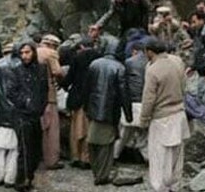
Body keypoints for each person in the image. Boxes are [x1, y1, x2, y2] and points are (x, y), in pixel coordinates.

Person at [140, 40, 191, 192]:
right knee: (177, 156)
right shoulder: (177, 61)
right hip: (179, 114)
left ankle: (160, 188)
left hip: (161, 117)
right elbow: (184, 86)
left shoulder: (152, 69)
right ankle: (175, 186)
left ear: (149, 51)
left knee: (159, 157)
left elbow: (148, 98)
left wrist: (144, 119)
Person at [85, 42, 133, 185]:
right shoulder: (120, 67)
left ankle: (96, 172)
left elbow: (87, 88)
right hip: (110, 111)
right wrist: (128, 114)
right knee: (106, 145)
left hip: (93, 109)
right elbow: (124, 94)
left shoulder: (94, 64)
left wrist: (85, 107)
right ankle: (102, 175)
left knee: (93, 141)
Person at [9, 43, 49, 192]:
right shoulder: (16, 70)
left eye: (28, 52)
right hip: (22, 115)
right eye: (22, 53)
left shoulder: (41, 69)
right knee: (25, 151)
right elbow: (11, 92)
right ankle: (21, 182)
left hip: (35, 114)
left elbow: (44, 90)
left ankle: (29, 178)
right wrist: (26, 103)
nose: (25, 55)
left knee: (35, 150)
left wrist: (40, 106)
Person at [64, 37, 100, 169]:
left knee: (75, 130)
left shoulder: (77, 58)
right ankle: (87, 157)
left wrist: (62, 84)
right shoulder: (99, 57)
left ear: (82, 47)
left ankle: (75, 156)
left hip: (77, 98)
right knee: (89, 129)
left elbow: (69, 79)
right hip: (93, 99)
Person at [0, 43, 18, 187]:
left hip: (0, 112)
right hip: (17, 112)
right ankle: (10, 178)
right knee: (15, 149)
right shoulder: (21, 65)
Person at [114, 40, 148, 161]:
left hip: (131, 103)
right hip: (145, 102)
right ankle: (147, 158)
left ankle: (114, 156)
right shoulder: (150, 62)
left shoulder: (128, 62)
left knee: (123, 134)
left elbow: (123, 84)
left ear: (134, 51)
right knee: (144, 135)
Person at [36, 34, 65, 170]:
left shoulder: (32, 51)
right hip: (49, 95)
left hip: (33, 95)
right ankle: (51, 159)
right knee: (51, 129)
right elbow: (57, 71)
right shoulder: (51, 53)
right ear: (54, 45)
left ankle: (37, 156)